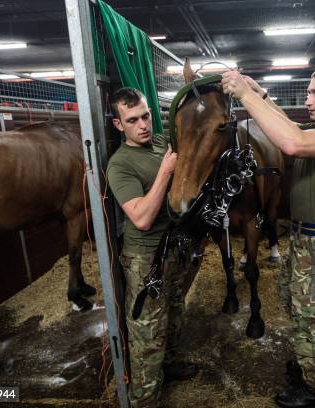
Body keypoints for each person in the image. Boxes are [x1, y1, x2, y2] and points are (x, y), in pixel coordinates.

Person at [222, 64, 315, 407]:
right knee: (296, 306)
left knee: (311, 316)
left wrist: (245, 97)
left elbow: (292, 143)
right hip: (303, 239)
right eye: (309, 93)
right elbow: (291, 127)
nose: (308, 99)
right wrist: (261, 94)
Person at [106, 87, 199, 408]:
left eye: (146, 116)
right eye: (132, 120)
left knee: (175, 314)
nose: (143, 125)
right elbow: (142, 218)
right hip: (144, 257)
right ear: (119, 125)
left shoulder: (161, 142)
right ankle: (144, 399)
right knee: (147, 334)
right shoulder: (120, 165)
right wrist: (165, 171)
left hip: (174, 249)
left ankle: (170, 366)